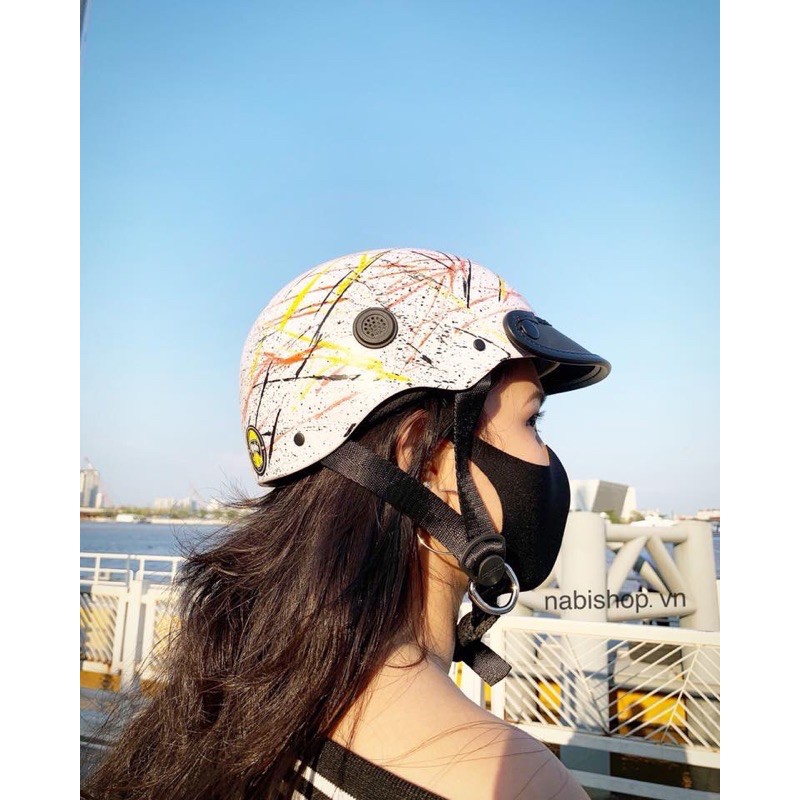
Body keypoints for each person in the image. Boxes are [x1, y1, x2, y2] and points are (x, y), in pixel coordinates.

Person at [82, 248, 610, 800]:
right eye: (532, 420)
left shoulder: (219, 714)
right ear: (426, 461)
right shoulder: (514, 781)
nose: (546, 457)